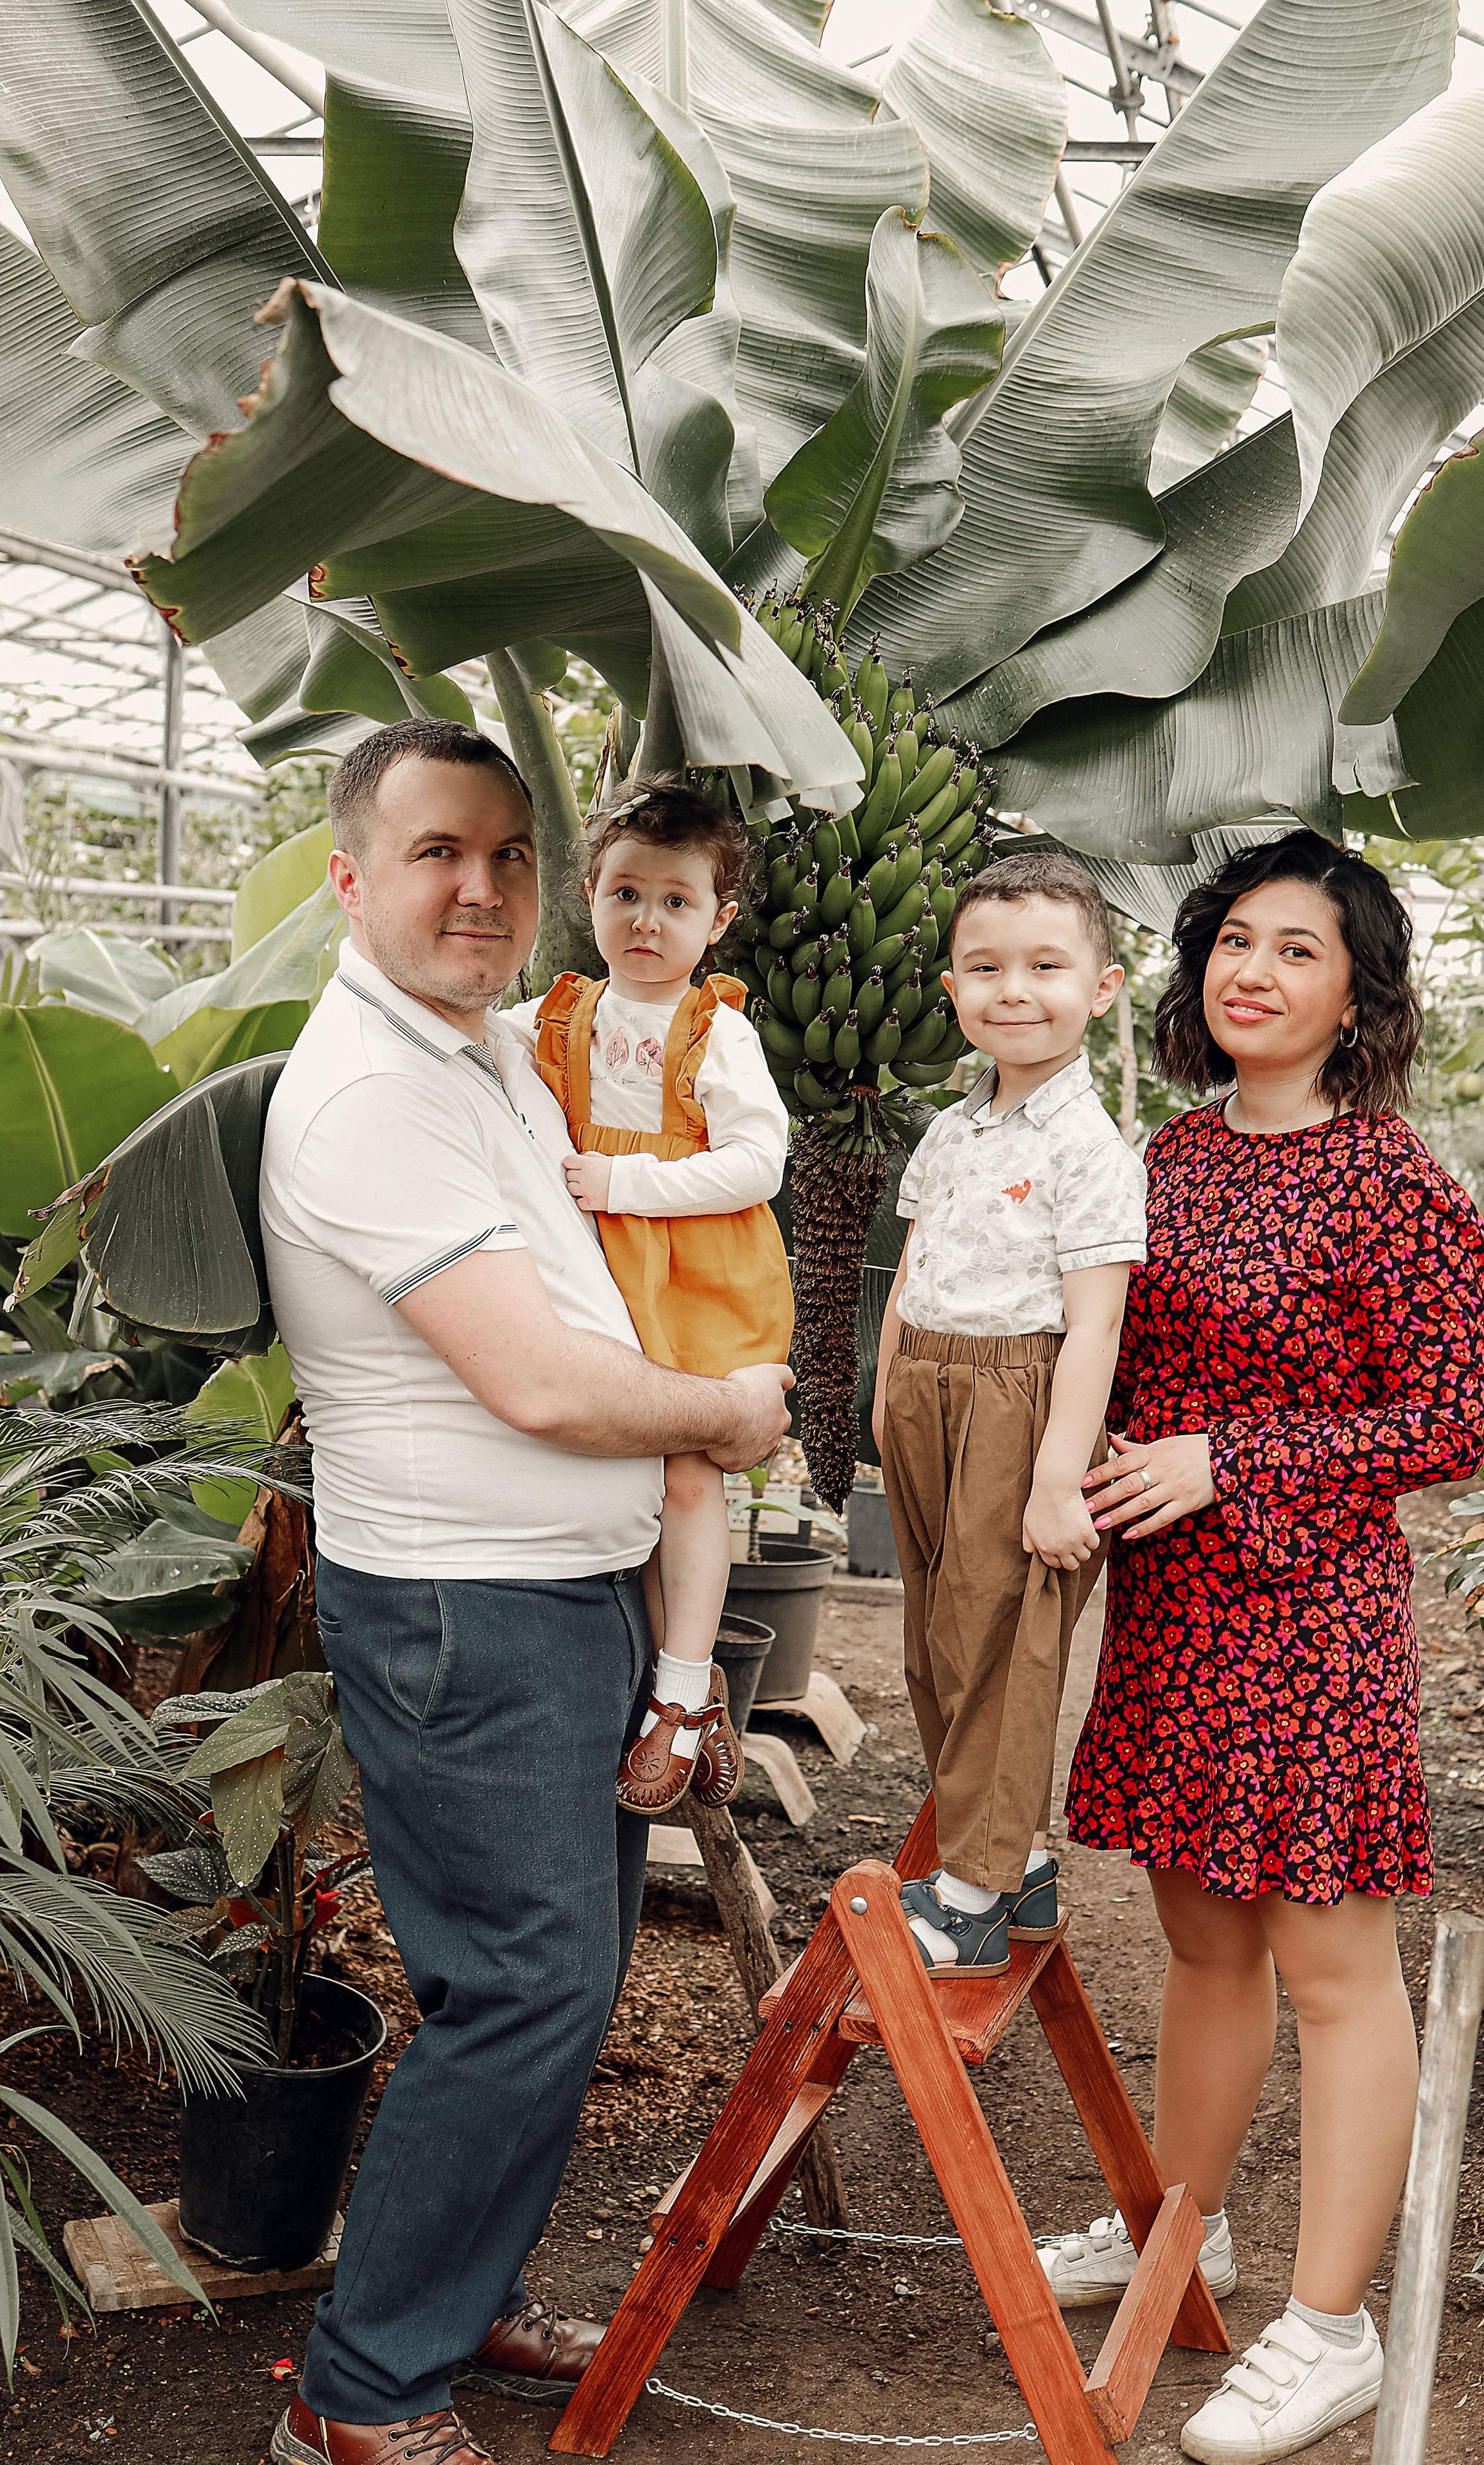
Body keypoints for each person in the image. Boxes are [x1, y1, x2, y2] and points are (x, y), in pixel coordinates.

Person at [258, 718, 792, 2465]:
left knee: (553, 1983)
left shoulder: (485, 1048)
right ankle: (362, 2394)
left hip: (555, 1596)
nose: (480, 888)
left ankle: (452, 2295)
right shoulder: (371, 1094)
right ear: (351, 879)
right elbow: (541, 1385)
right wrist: (726, 1415)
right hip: (463, 1606)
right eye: (436, 852)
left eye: (506, 856)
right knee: (527, 1989)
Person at [1040, 834, 1484, 2464]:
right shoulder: (1162, 1156)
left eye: (1298, 949)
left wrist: (1227, 1457)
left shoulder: (1396, 1183)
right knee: (1201, 1944)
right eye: (1235, 940)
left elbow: (1447, 1422)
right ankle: (1182, 2230)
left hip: (1307, 1623)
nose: (1254, 970)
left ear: (1355, 994)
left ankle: (1329, 2331)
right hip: (1171, 1615)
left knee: (1330, 1969)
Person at [869, 851, 1147, 1976]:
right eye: (985, 968)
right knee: (938, 1641)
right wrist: (887, 1390)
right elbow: (913, 1268)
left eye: (1045, 966)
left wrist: (1054, 1477)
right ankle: (1014, 1859)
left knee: (1001, 1643)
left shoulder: (1092, 1149)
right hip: (927, 1392)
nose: (1014, 990)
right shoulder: (952, 1128)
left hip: (1021, 1400)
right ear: (953, 990)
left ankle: (974, 1897)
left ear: (1103, 988)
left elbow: (1096, 1325)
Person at [529, 777, 793, 1817]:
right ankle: (684, 1682)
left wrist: (626, 1182)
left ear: (717, 922)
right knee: (628, 1483)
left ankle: (679, 1698)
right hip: (602, 1273)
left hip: (697, 1276)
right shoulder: (557, 1014)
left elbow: (758, 1162)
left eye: (676, 902)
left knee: (686, 1476)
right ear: (590, 897)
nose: (647, 921)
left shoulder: (714, 1031)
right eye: (626, 894)